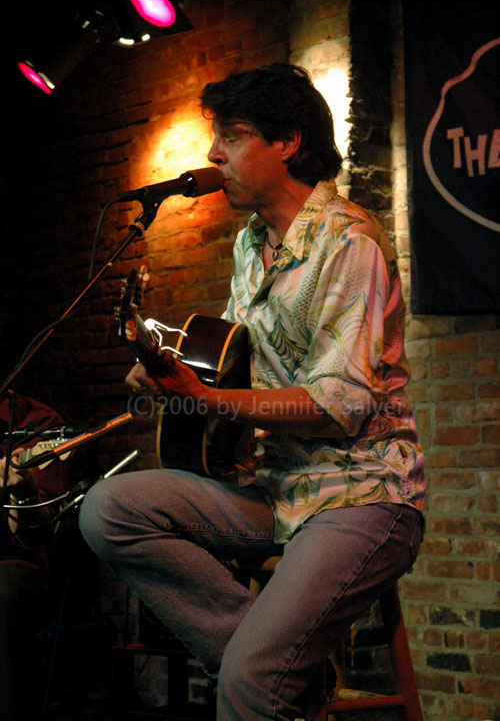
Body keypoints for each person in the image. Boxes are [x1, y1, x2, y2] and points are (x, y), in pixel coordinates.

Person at [79, 62, 426, 721]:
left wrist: (205, 400)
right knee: (108, 510)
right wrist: (172, 378)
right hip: (275, 486)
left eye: (232, 136)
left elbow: (339, 406)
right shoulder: (249, 247)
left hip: (363, 494)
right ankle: (282, 665)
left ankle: (264, 671)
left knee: (245, 684)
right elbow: (242, 373)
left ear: (288, 141)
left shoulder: (351, 243)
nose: (213, 155)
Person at [0, 391, 69, 721]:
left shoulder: (37, 423)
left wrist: (24, 494)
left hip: (14, 565)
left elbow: (37, 539)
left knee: (5, 584)